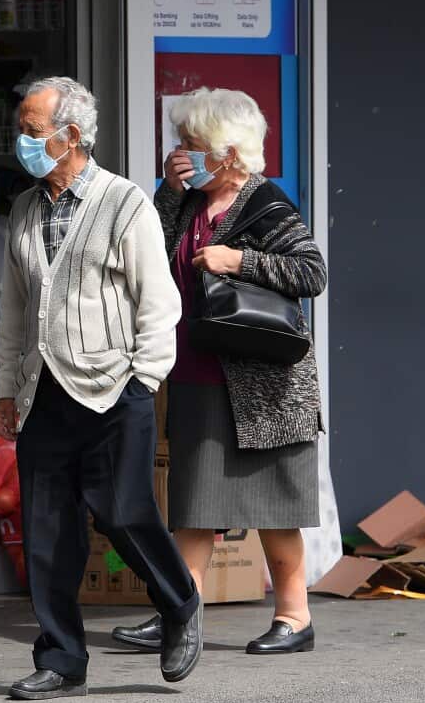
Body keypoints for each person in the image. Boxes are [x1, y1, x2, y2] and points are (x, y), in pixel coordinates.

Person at [0, 76, 201, 701]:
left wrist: (145, 378)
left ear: (71, 137)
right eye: (23, 129)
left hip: (114, 387)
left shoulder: (125, 202)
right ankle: (61, 658)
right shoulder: (26, 208)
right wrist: (5, 389)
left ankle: (180, 603)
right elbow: (14, 307)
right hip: (42, 392)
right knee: (49, 529)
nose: (22, 142)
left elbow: (159, 302)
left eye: (32, 132)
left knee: (124, 512)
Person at [111, 87, 326, 656]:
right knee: (194, 505)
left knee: (276, 508)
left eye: (194, 144)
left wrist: (239, 260)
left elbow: (312, 272)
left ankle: (294, 617)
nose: (184, 152)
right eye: (181, 143)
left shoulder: (264, 204)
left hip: (266, 387)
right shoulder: (186, 201)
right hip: (197, 373)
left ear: (229, 152)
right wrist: (168, 188)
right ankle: (179, 614)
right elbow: (148, 254)